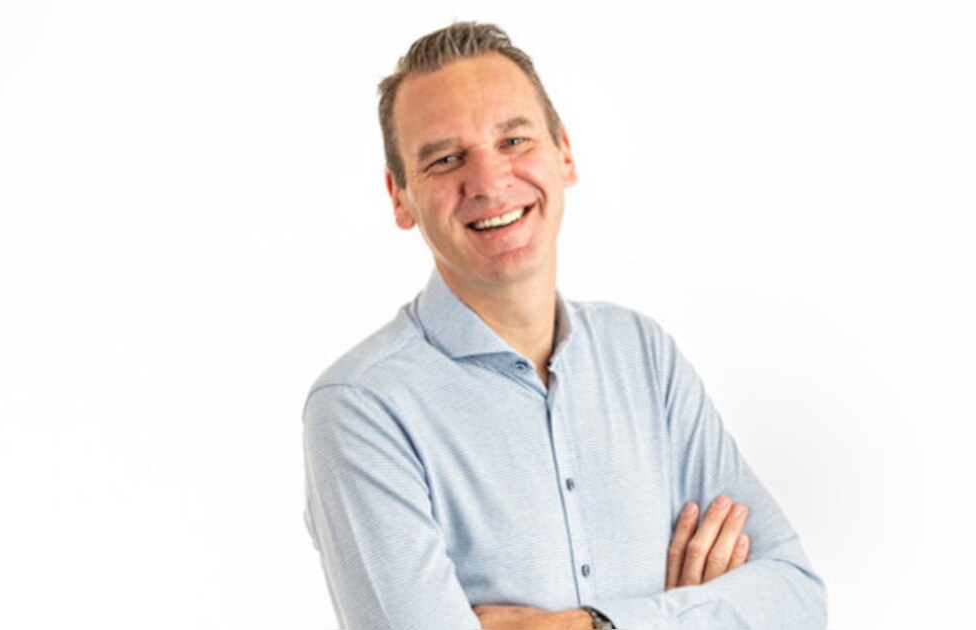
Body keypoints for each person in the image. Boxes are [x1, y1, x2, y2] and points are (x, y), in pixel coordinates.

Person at [302, 22, 826, 629]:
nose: (490, 182)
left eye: (514, 140)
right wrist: (693, 614)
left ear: (564, 153)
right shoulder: (361, 408)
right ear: (400, 198)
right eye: (446, 159)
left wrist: (590, 625)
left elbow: (797, 599)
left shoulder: (642, 357)